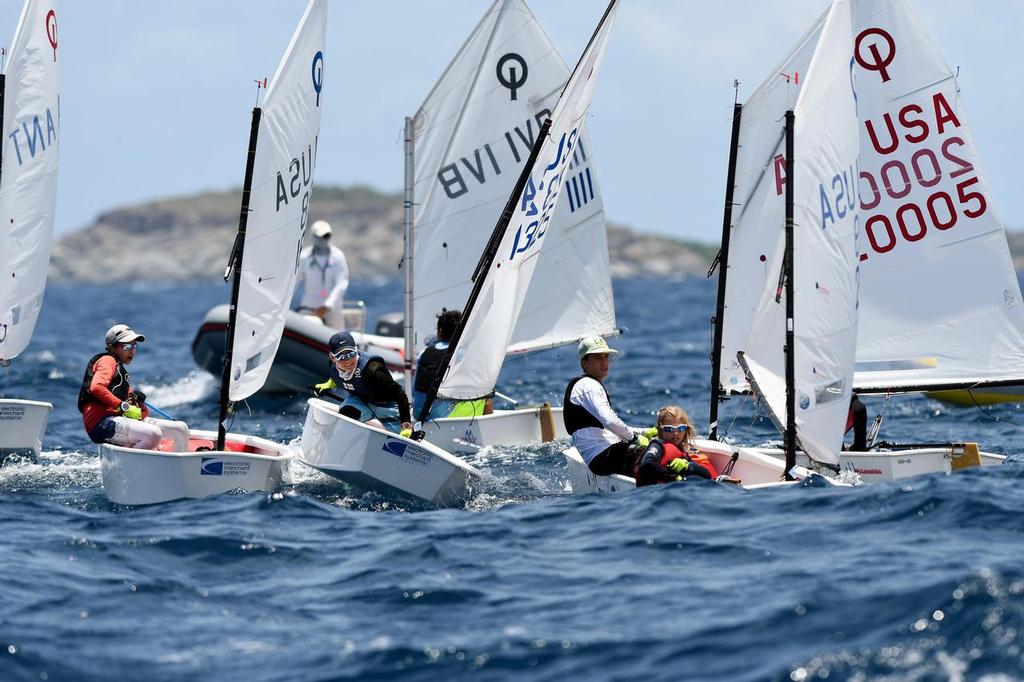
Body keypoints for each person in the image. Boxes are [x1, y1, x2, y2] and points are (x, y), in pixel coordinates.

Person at [79, 324, 189, 450]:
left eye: (134, 346)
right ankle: (132, 465)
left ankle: (177, 466)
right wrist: (122, 406)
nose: (132, 351)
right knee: (153, 434)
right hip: (100, 423)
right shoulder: (107, 360)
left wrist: (141, 405)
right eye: (126, 346)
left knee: (180, 429)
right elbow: (97, 387)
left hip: (119, 419)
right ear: (112, 348)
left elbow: (140, 415)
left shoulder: (121, 374)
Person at [563, 335, 654, 476]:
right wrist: (635, 438)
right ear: (584, 363)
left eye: (606, 357)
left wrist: (643, 432)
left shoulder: (586, 385)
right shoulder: (589, 386)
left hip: (602, 457)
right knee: (660, 451)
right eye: (598, 358)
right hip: (604, 457)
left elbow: (604, 428)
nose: (604, 362)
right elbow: (610, 421)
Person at [313, 331, 413, 437]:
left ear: (356, 350)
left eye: (351, 354)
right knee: (347, 413)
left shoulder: (372, 369)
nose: (347, 360)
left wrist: (405, 422)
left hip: (386, 406)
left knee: (404, 436)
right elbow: (337, 378)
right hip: (360, 401)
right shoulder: (335, 367)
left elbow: (399, 393)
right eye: (341, 356)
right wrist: (328, 385)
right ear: (332, 357)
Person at [412, 308, 490, 421]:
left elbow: (415, 391)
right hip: (447, 418)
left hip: (420, 415)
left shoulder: (424, 353)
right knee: (485, 395)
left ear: (440, 331)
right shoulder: (464, 354)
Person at [635, 405, 716, 486]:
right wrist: (675, 478)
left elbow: (706, 475)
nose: (675, 433)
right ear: (661, 430)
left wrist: (688, 467)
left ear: (686, 430)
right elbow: (646, 466)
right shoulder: (658, 446)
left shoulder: (682, 453)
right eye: (669, 429)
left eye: (680, 428)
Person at [295, 219, 350, 330]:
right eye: (321, 236)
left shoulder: (338, 256)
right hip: (309, 307)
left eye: (327, 236)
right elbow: (294, 283)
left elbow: (341, 283)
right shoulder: (304, 257)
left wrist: (327, 305)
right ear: (314, 237)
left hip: (332, 309)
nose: (324, 240)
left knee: (337, 337)